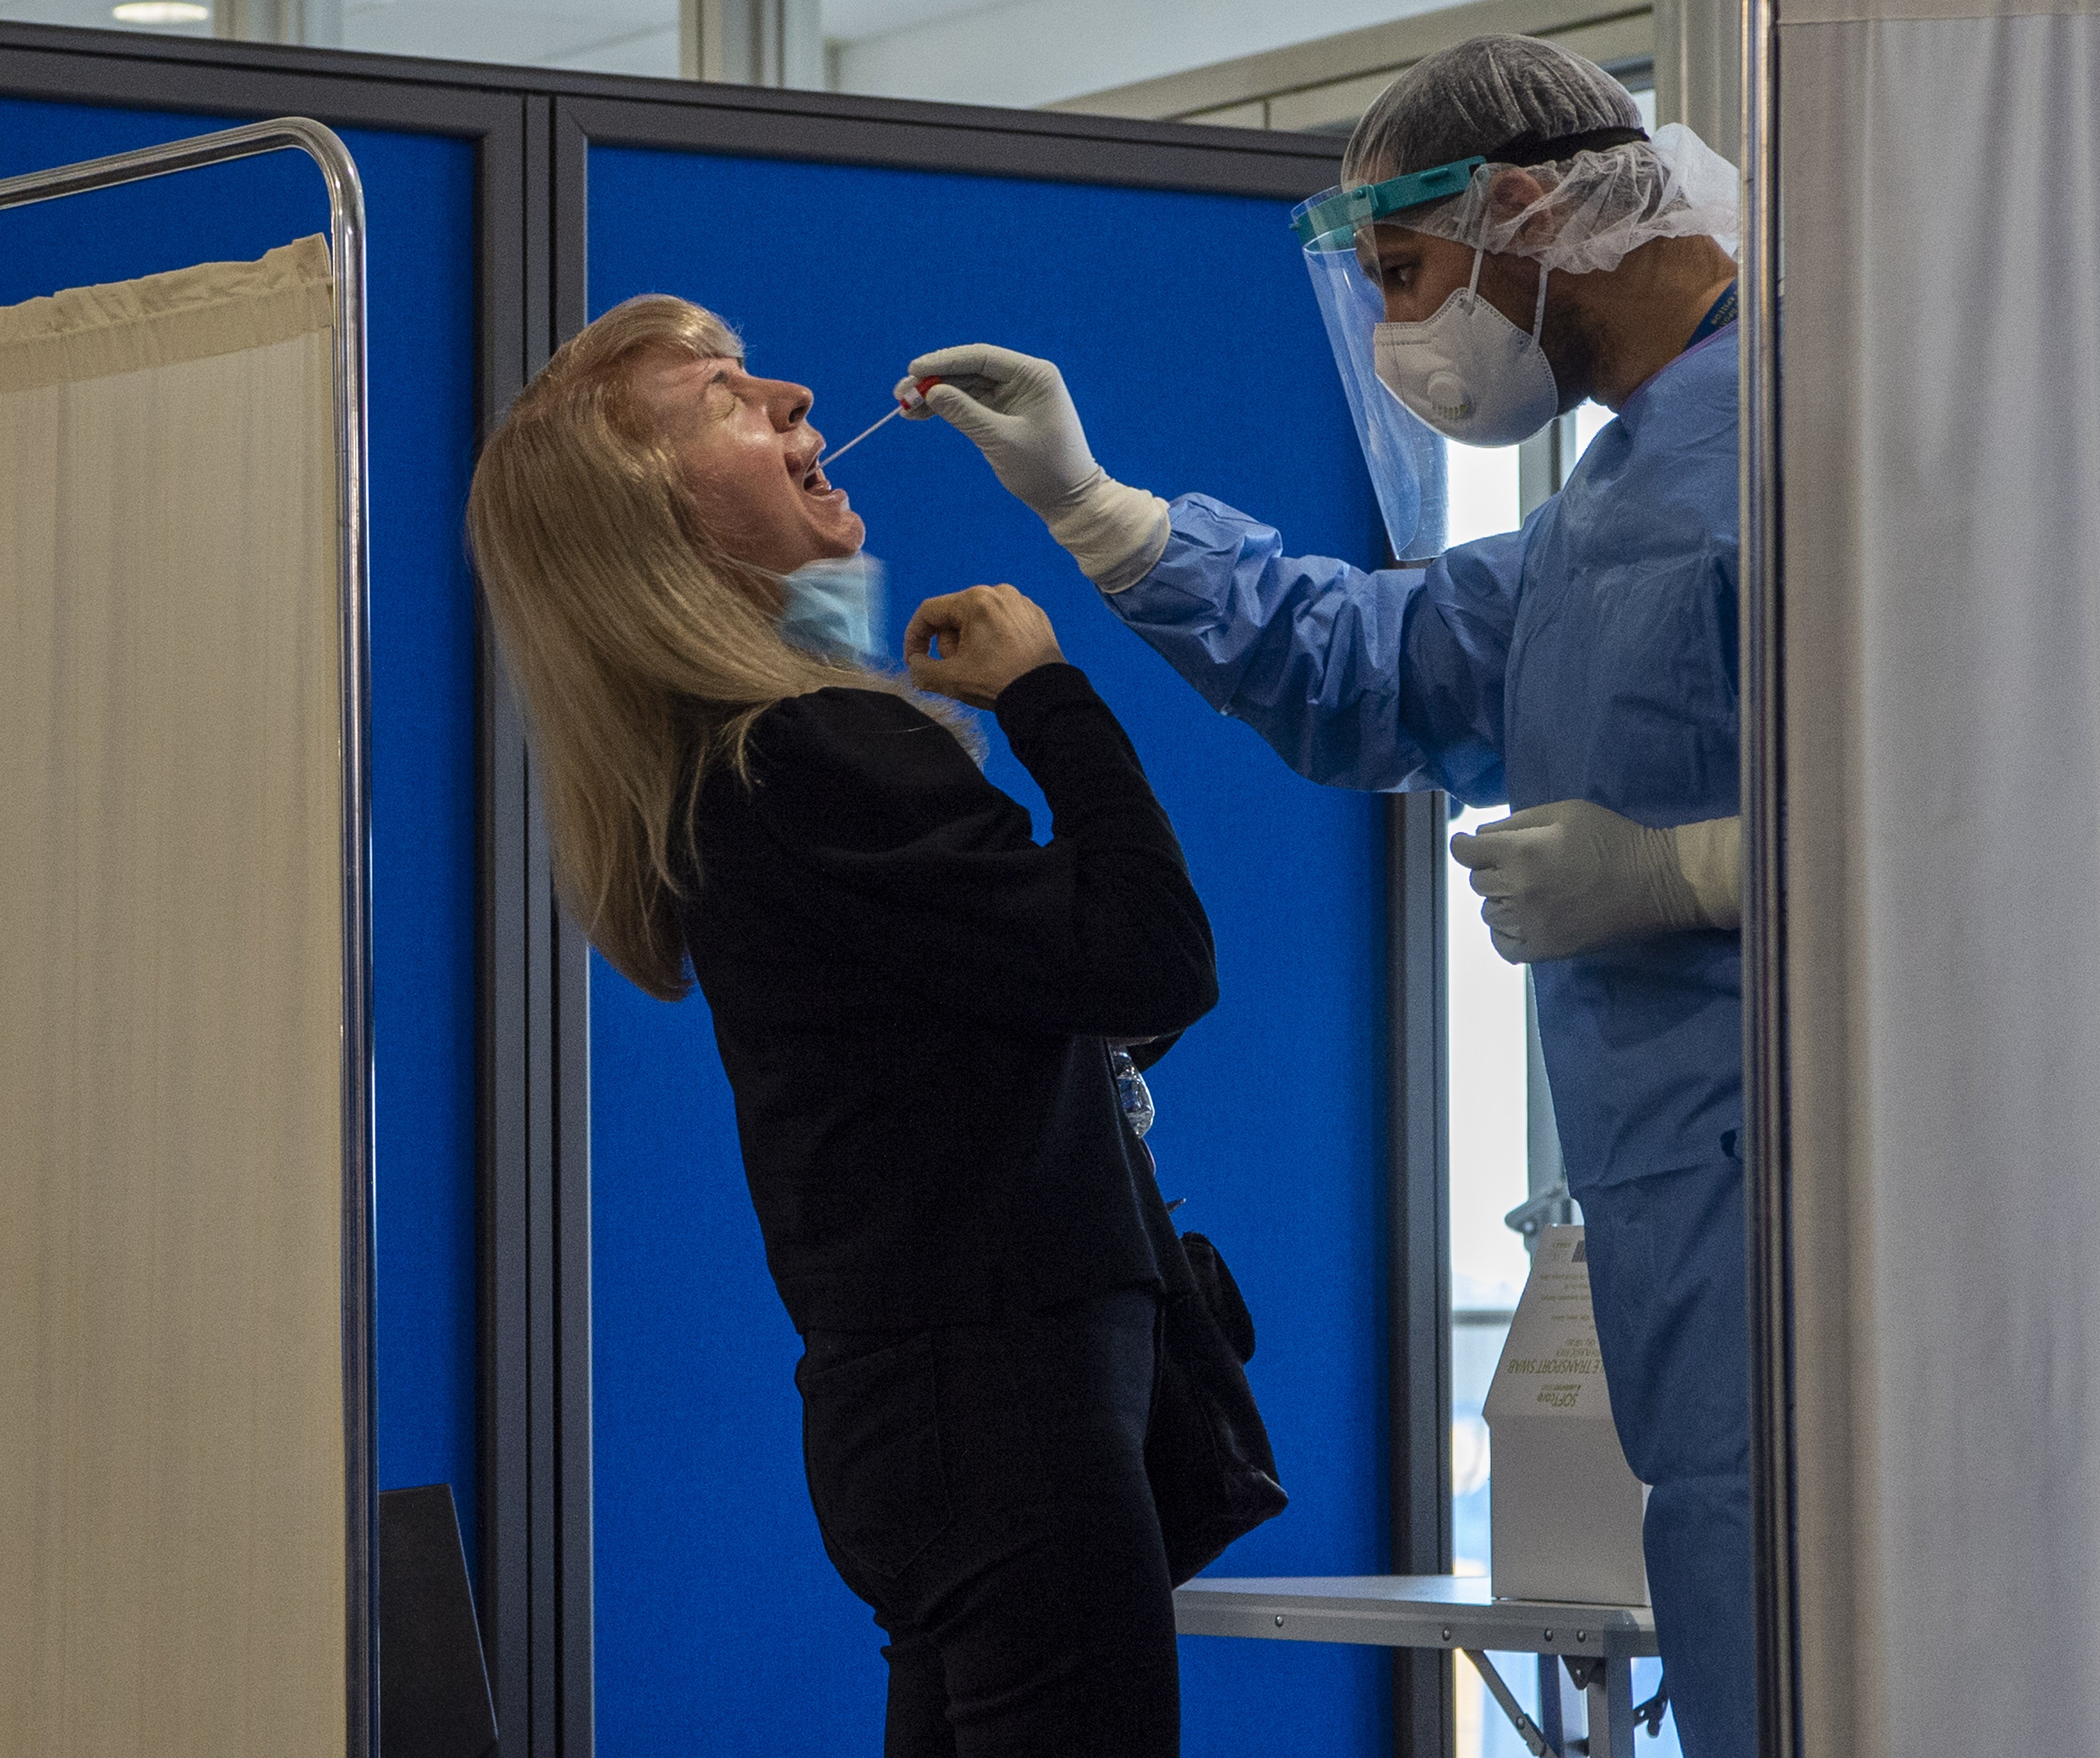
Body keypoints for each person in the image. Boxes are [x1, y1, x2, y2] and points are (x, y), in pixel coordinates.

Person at [903, 34, 1754, 1758]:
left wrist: (1697, 870)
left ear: (1523, 208)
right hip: (1705, 1267)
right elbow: (1376, 666)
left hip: (1843, 1236)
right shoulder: (1615, 503)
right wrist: (1100, 507)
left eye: (1407, 274)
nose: (1402, 334)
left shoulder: (1815, 443)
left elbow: (1993, 797)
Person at [467, 293, 1219, 1757]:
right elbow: (1153, 964)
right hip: (1006, 1406)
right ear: (661, 524)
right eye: (733, 401)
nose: (799, 396)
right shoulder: (813, 754)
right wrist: (1048, 692)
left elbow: (1044, 1012)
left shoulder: (746, 763)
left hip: (930, 1413)